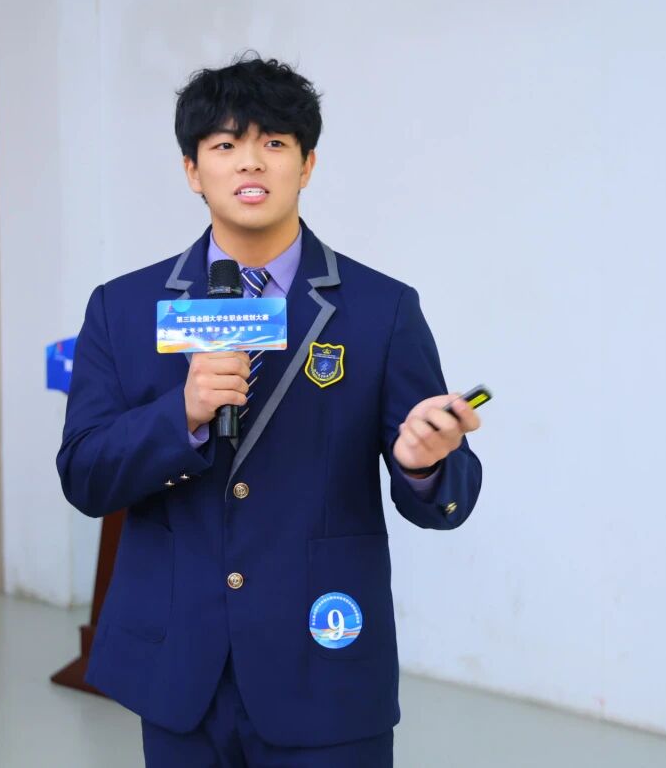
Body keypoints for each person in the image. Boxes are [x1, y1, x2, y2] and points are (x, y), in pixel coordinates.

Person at [57, 54, 483, 767]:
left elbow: (449, 495)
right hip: (179, 664)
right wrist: (182, 414)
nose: (250, 161)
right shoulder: (123, 308)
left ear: (307, 165)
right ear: (192, 170)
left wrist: (423, 466)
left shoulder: (381, 309)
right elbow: (85, 475)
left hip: (324, 659)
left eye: (275, 143)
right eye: (225, 144)